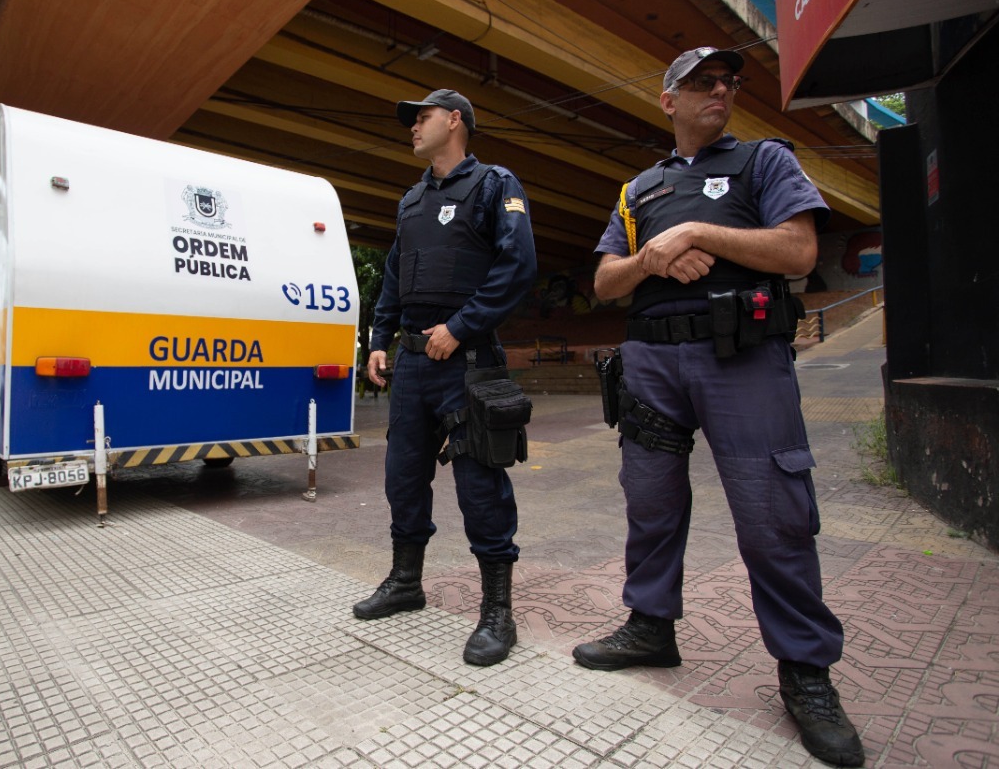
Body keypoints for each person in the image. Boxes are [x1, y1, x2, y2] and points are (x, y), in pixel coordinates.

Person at [576, 47, 864, 767]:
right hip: (651, 364)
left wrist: (700, 232)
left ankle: (805, 672)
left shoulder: (764, 162)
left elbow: (799, 250)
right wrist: (650, 258)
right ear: (667, 100)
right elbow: (605, 282)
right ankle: (650, 625)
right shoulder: (638, 188)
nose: (720, 89)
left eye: (727, 81)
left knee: (774, 513)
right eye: (701, 81)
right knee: (650, 501)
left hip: (742, 359)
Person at [356, 89, 537, 667]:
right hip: (411, 364)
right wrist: (378, 340)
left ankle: (496, 612)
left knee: (480, 486)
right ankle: (406, 583)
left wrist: (460, 327)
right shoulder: (411, 200)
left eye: (422, 117)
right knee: (402, 477)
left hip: (466, 362)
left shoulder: (493, 185)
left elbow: (517, 266)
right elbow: (393, 275)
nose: (412, 126)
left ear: (455, 120)